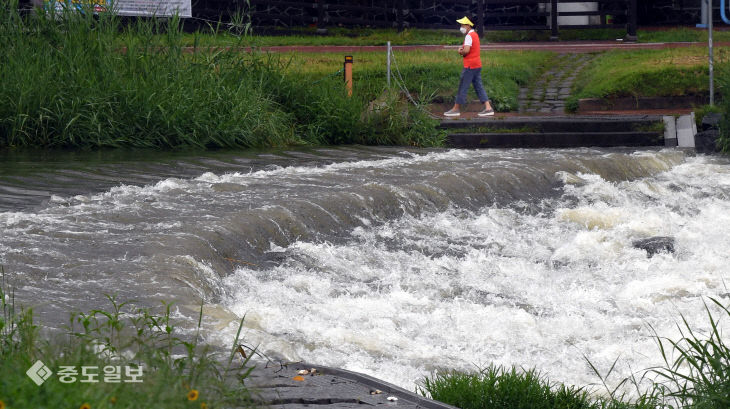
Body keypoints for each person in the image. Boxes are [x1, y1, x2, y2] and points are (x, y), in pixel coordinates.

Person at [444, 17, 494, 117]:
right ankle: (488, 108)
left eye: (462, 25)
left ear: (468, 25)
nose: (461, 27)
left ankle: (456, 109)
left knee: (463, 86)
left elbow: (466, 51)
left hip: (470, 66)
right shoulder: (475, 34)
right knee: (478, 86)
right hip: (477, 65)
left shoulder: (469, 36)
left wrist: (459, 51)